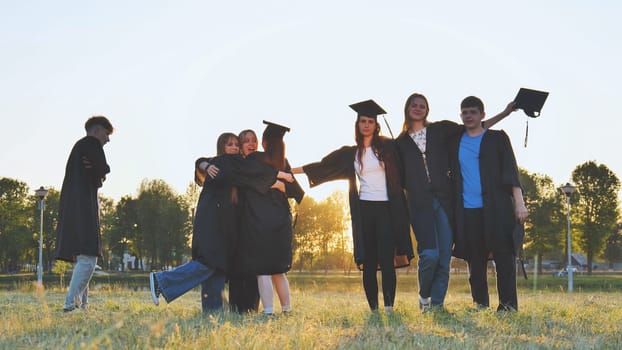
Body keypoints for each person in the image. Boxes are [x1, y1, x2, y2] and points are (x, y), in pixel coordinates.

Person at [395, 93, 515, 311]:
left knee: (444, 257)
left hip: (444, 199)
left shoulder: (440, 131)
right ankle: (424, 297)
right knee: (429, 255)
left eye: (422, 105)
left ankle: (437, 306)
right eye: (414, 105)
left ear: (427, 109)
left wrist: (505, 113)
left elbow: (477, 127)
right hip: (419, 203)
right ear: (407, 108)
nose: (418, 108)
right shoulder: (400, 143)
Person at [292, 100, 413, 313]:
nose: (366, 125)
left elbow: (407, 161)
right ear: (357, 125)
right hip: (364, 210)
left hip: (387, 209)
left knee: (386, 261)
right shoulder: (351, 153)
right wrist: (290, 171)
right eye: (362, 121)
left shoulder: (388, 147)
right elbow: (324, 165)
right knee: (368, 260)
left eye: (370, 121)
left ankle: (389, 308)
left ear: (376, 125)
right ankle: (374, 310)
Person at [149, 132, 291, 308]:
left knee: (218, 265)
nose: (235, 148)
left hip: (222, 224)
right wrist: (281, 177)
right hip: (213, 222)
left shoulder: (225, 164)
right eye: (230, 144)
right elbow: (255, 173)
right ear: (222, 147)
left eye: (236, 145)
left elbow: (204, 162)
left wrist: (204, 164)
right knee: (209, 263)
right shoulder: (225, 162)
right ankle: (162, 281)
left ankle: (213, 310)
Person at [450, 96, 528, 311]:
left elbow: (511, 171)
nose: (468, 116)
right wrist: (504, 113)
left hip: (497, 208)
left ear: (482, 115)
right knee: (475, 262)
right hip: (468, 210)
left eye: (473, 112)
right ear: (460, 115)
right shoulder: (456, 140)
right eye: (465, 112)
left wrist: (519, 203)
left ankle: (508, 306)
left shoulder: (497, 139)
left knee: (504, 258)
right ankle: (480, 305)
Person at [236, 121, 304, 315]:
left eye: (254, 140)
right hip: (281, 221)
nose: (251, 144)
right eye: (247, 141)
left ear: (263, 142)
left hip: (259, 221)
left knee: (263, 269)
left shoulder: (254, 160)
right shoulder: (282, 162)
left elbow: (252, 179)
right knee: (278, 270)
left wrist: (278, 184)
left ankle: (267, 311)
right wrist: (280, 183)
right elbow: (297, 192)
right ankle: (287, 310)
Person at [55, 116, 113, 312]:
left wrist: (97, 172)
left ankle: (82, 304)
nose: (107, 140)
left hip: (74, 205)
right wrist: (100, 170)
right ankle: (71, 303)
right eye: (106, 134)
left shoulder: (79, 148)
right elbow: (104, 169)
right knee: (89, 256)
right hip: (83, 206)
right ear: (96, 131)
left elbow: (97, 175)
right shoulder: (90, 143)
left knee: (83, 256)